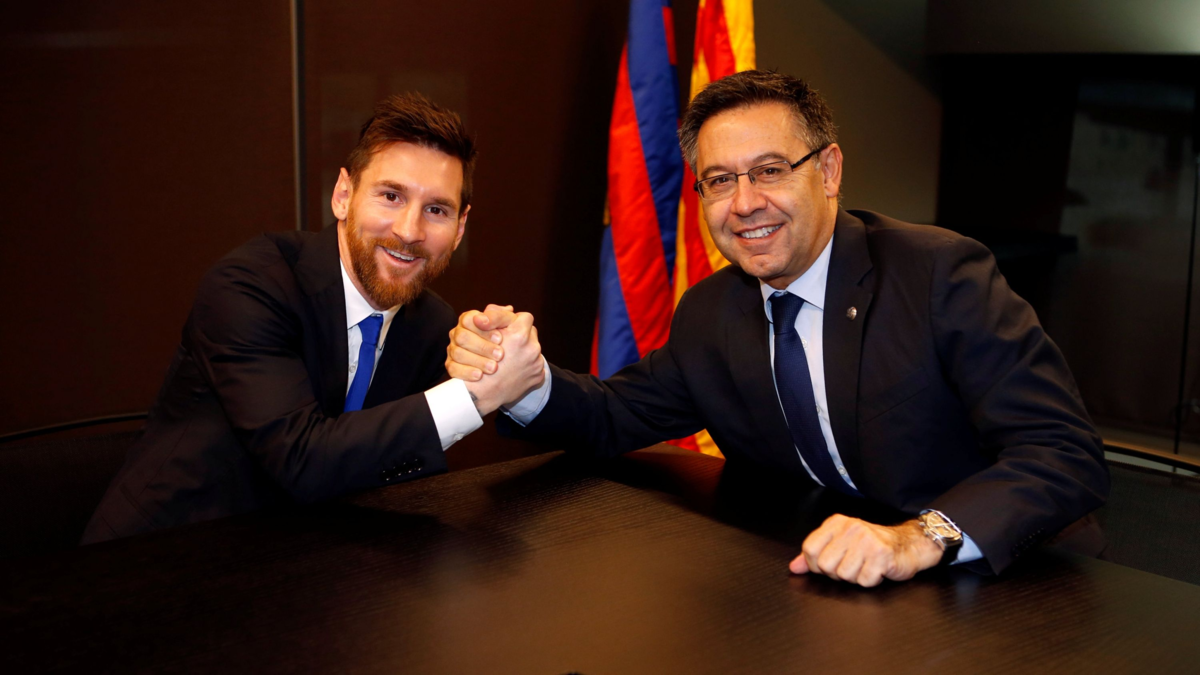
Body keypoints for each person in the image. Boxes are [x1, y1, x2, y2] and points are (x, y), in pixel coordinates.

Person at [445, 71, 1109, 587]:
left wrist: (920, 536)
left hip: (1003, 577)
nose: (745, 203)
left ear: (829, 171)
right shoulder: (711, 312)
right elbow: (615, 415)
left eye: (769, 171)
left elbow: (1063, 451)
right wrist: (525, 383)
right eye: (719, 180)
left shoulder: (937, 274)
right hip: (830, 577)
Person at [83, 93, 544, 543]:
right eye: (390, 196)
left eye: (436, 210)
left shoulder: (429, 324)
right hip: (161, 556)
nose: (409, 230)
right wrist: (476, 395)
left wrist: (516, 360)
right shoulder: (249, 285)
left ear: (459, 229)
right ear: (343, 195)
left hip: (312, 565)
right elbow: (301, 460)